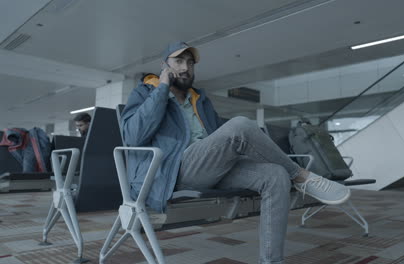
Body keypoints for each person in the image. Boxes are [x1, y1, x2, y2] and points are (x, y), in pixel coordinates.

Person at [121, 41, 350, 264]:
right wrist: (161, 88)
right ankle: (301, 176)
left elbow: (219, 139)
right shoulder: (145, 92)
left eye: (190, 63)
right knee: (240, 124)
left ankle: (271, 260)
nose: (185, 68)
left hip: (209, 168)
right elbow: (133, 136)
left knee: (275, 175)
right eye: (178, 61)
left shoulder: (200, 99)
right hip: (173, 172)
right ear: (164, 66)